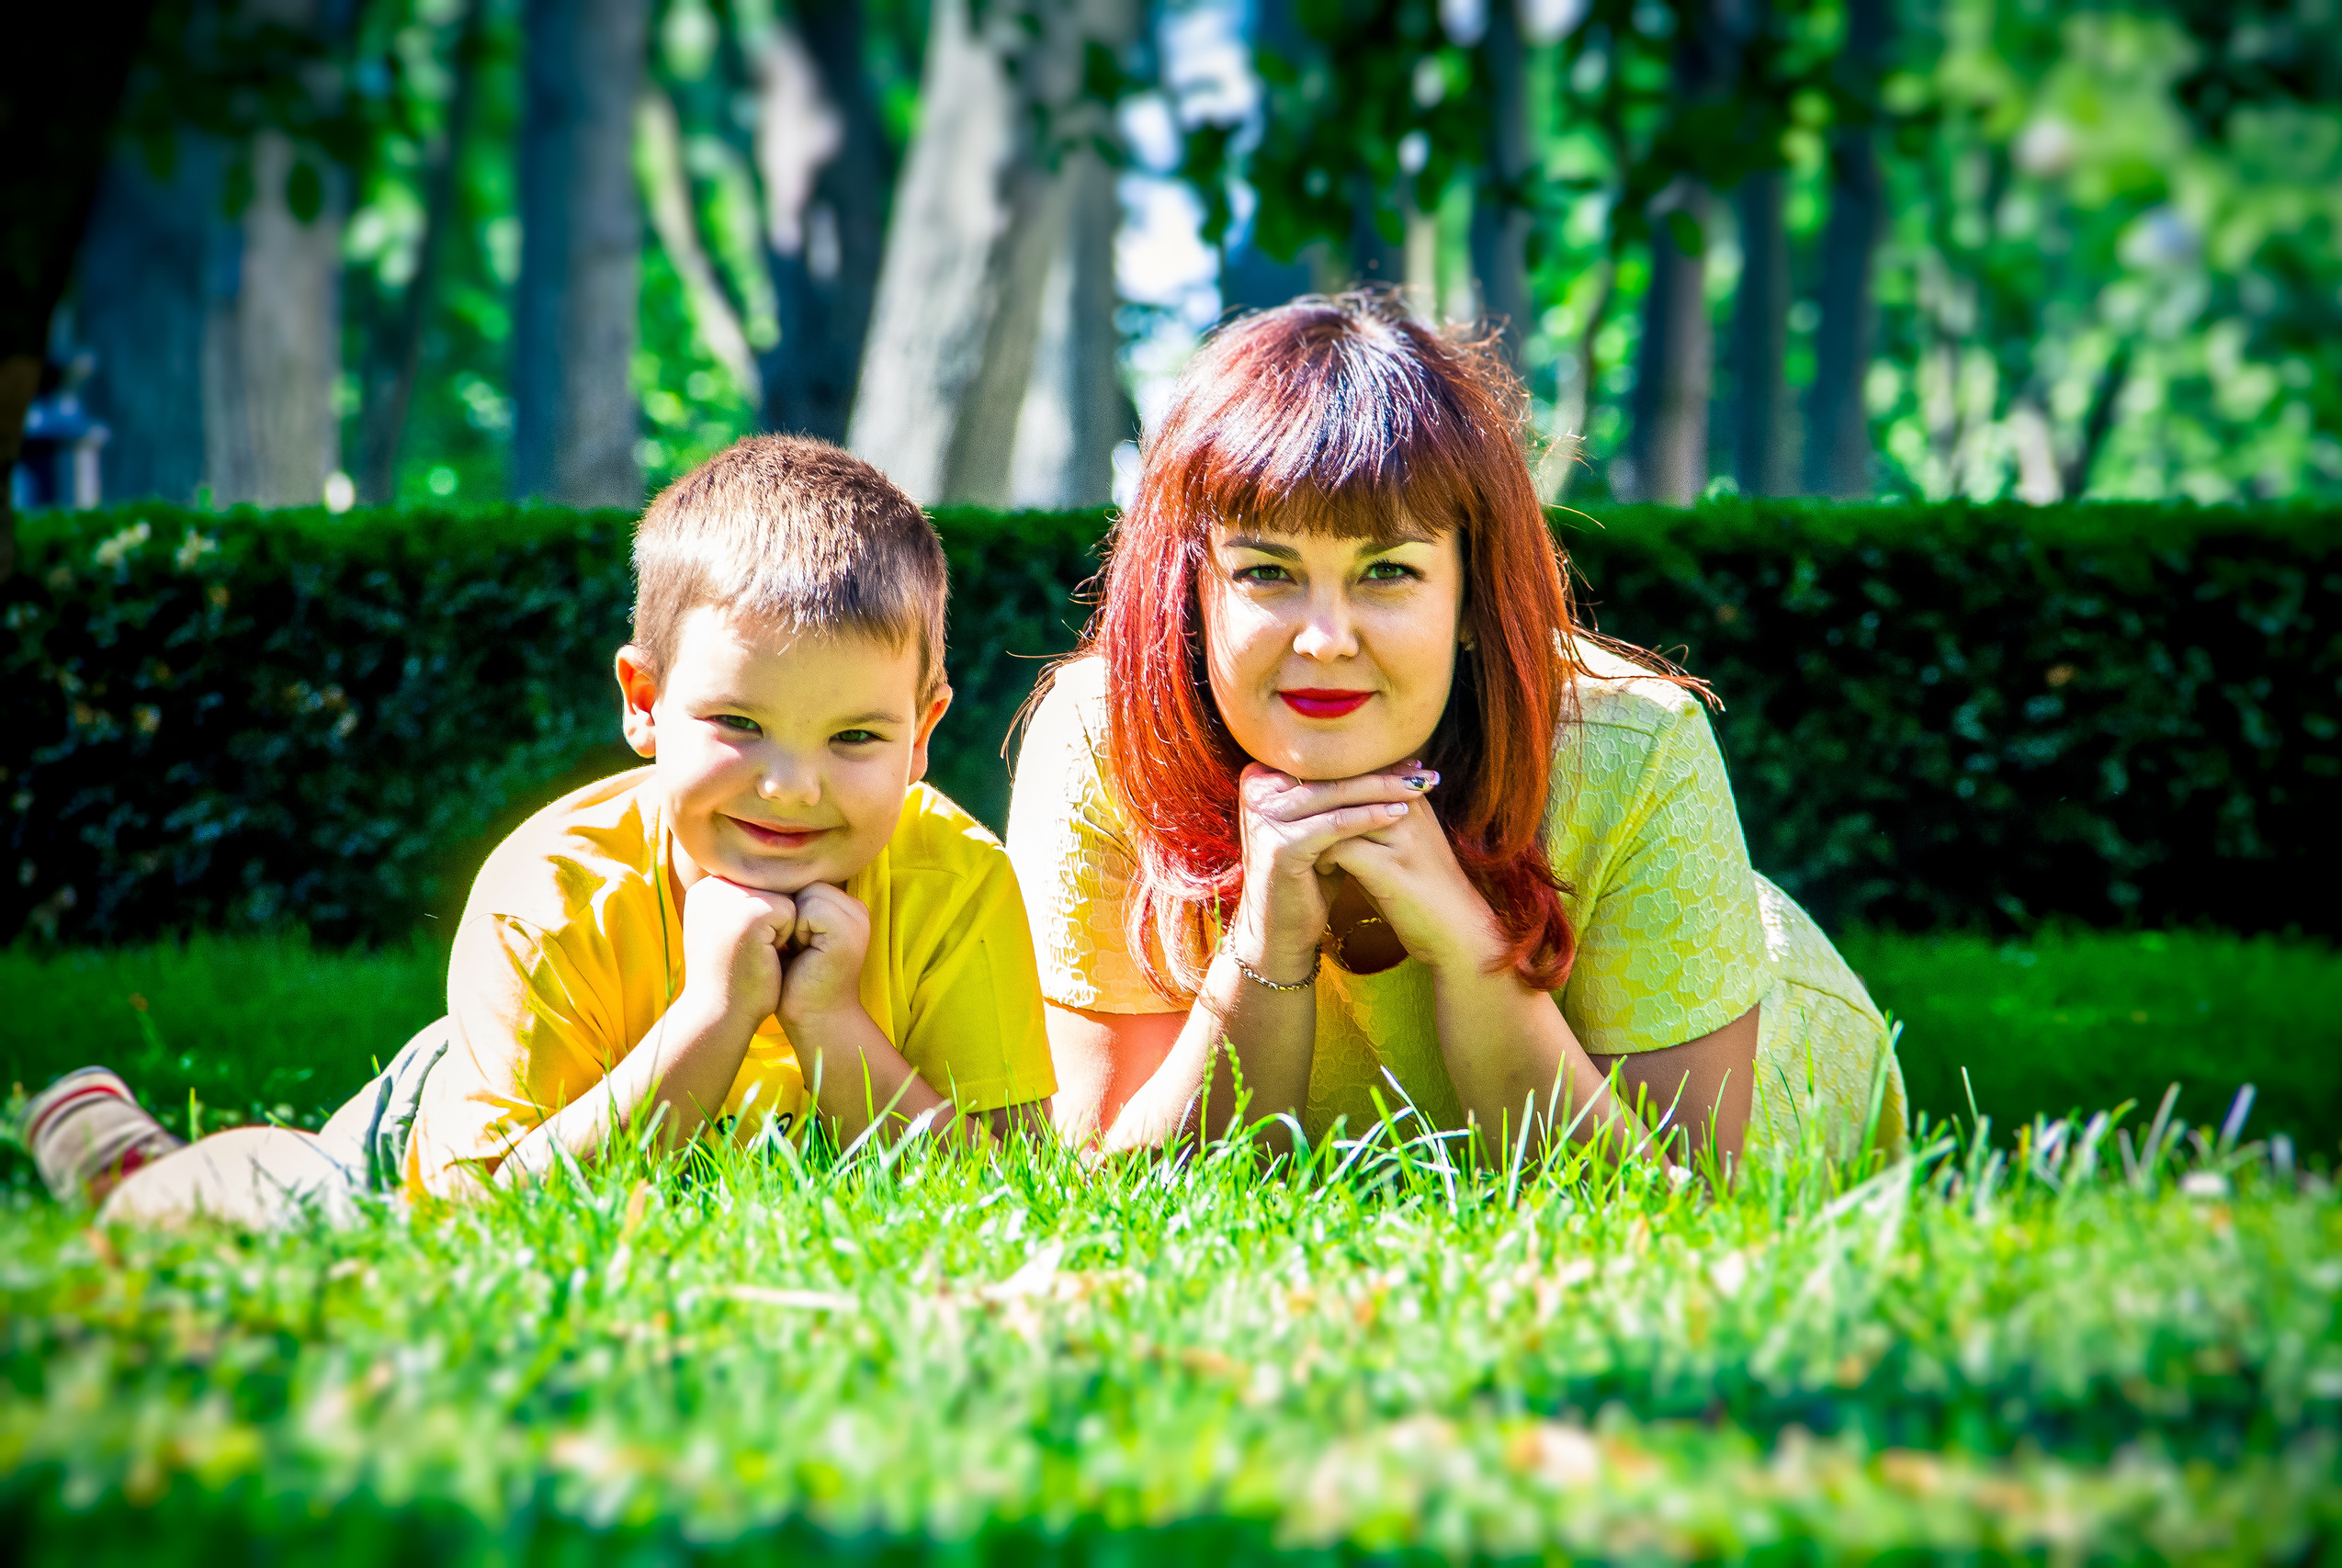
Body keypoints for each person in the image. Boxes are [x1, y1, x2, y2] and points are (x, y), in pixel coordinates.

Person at [24, 436, 1058, 1224]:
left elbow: (1011, 1199)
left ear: (923, 733)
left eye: (854, 737)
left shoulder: (960, 884)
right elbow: (485, 1220)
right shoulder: (553, 886)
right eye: (738, 724)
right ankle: (136, 1167)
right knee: (293, 1209)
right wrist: (711, 1012)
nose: (792, 788)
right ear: (643, 701)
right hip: (483, 1121)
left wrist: (832, 1024)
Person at [1006, 293, 1904, 1175]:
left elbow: (1681, 1207)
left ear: (1471, 596)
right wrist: (1263, 944)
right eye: (1268, 572)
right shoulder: (1103, 740)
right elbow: (1103, 1188)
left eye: (1387, 571)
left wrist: (1470, 948)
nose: (1324, 638)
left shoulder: (1635, 747)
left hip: (1777, 1086)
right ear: (1194, 589)